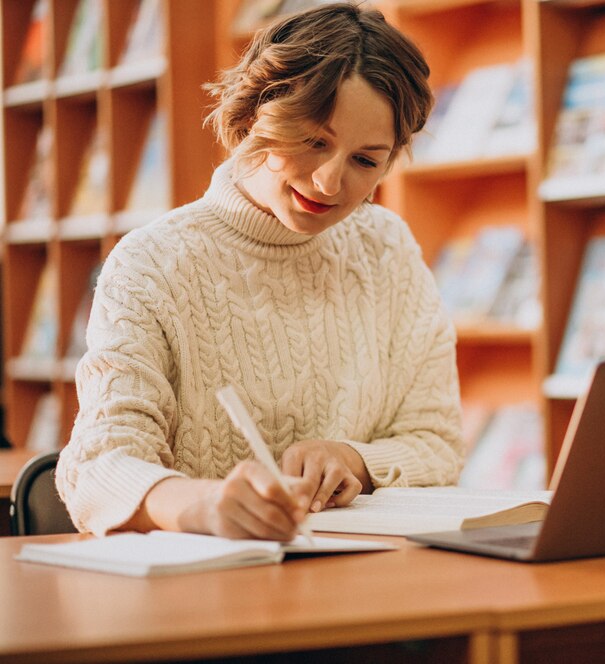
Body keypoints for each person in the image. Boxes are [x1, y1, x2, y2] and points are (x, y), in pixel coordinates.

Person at [56, 3, 463, 541]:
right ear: (254, 112)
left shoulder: (386, 249)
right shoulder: (151, 265)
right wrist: (203, 505)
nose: (327, 182)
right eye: (313, 141)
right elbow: (97, 467)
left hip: (361, 584)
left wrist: (353, 460)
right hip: (210, 591)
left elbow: (438, 443)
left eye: (366, 161)